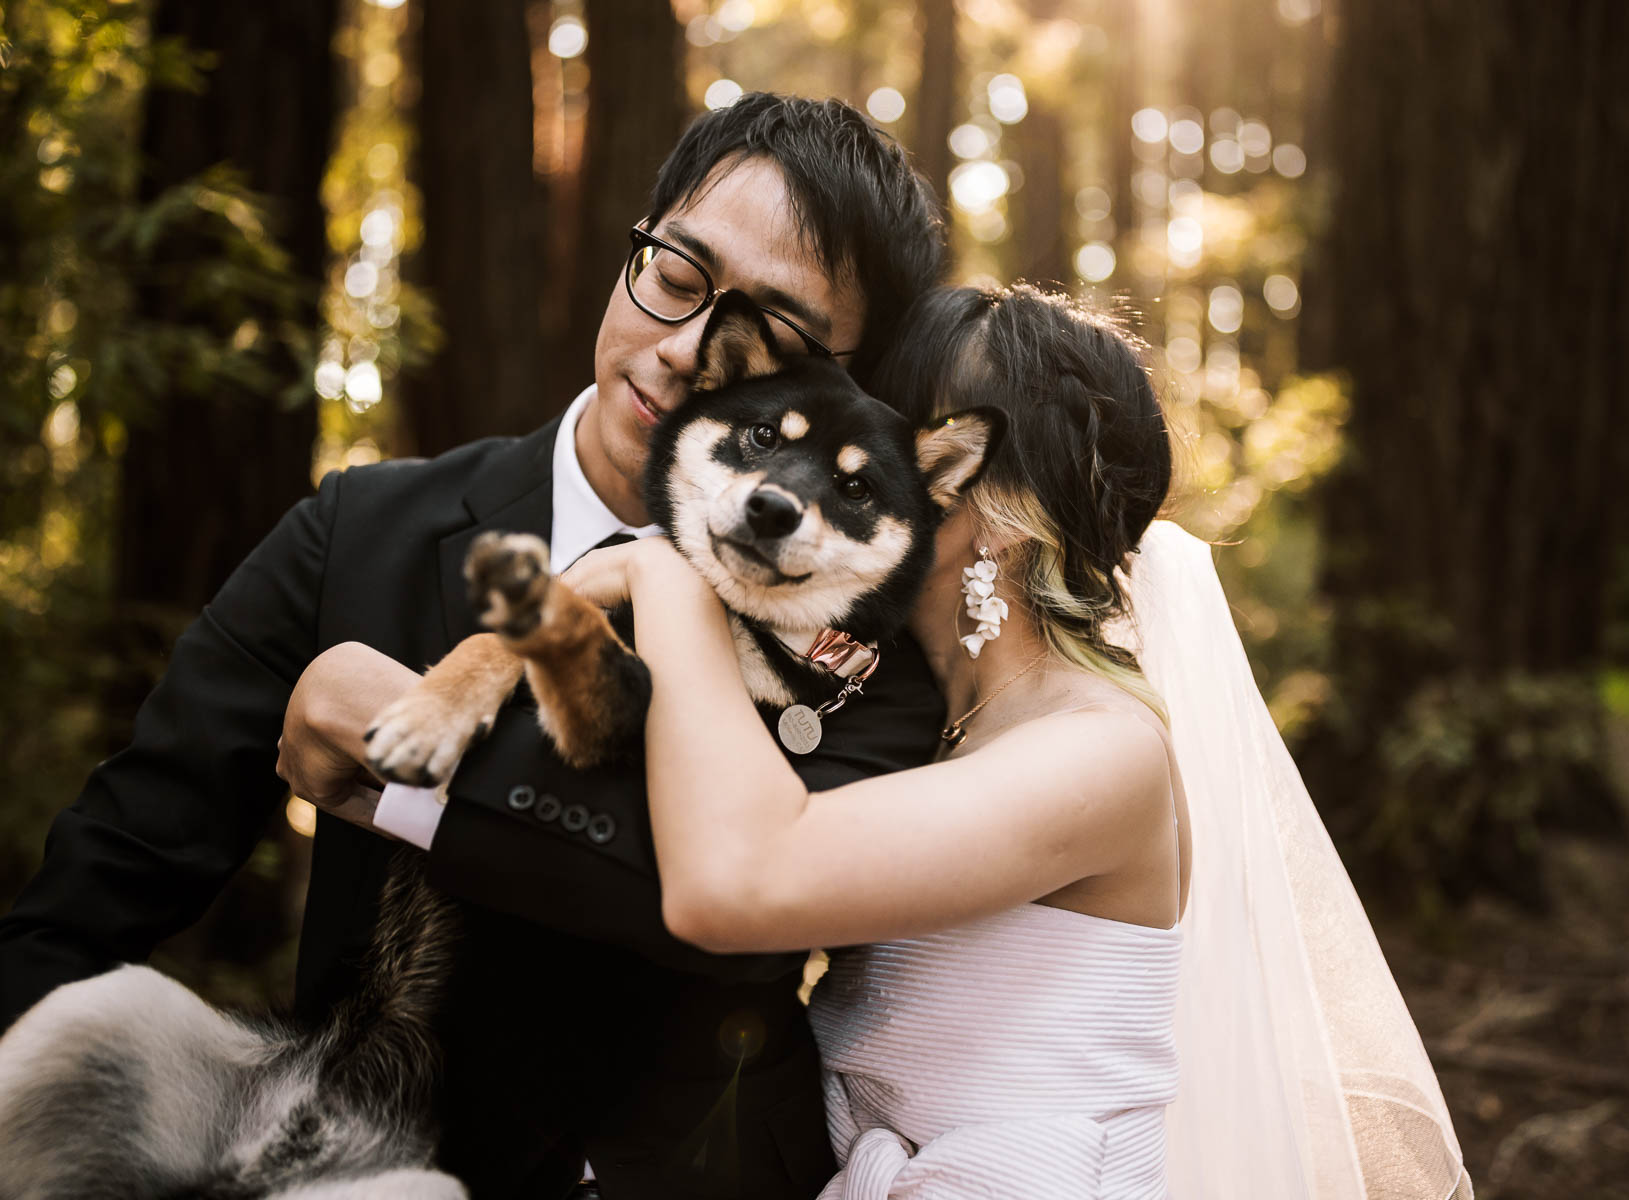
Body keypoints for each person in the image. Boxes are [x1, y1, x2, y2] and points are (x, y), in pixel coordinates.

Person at [0, 94, 948, 1200]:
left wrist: (411, 773)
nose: (687, 351)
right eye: (676, 277)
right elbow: (104, 887)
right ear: (631, 248)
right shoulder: (359, 530)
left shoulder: (866, 639)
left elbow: (742, 927)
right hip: (335, 1140)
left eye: (770, 342)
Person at [570, 284, 1474, 1197]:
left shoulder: (1100, 752)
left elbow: (736, 879)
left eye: (878, 451)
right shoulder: (917, 725)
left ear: (988, 512)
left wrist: (665, 575)